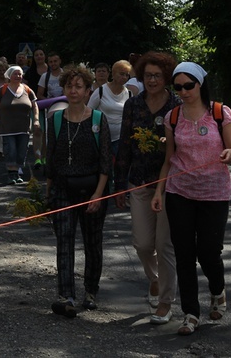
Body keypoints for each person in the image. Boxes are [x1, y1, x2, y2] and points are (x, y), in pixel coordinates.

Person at [152, 62, 231, 336]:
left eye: (188, 85)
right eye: (177, 87)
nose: (183, 91)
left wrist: (230, 155)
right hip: (180, 192)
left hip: (214, 193)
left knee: (209, 252)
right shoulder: (173, 117)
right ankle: (190, 313)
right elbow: (169, 159)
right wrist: (159, 190)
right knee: (184, 254)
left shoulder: (219, 113)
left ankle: (218, 291)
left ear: (200, 84)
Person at [114, 51, 180, 325]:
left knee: (165, 245)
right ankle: (153, 280)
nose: (152, 80)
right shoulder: (133, 105)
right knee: (142, 243)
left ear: (166, 78)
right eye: (148, 75)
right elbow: (125, 146)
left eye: (157, 75)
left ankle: (166, 302)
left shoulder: (176, 106)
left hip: (170, 184)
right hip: (139, 180)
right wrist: (120, 185)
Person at [45, 64, 112, 318]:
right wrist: (48, 192)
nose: (73, 90)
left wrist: (99, 194)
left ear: (87, 90)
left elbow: (106, 161)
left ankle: (91, 291)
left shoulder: (98, 119)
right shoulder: (56, 119)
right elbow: (51, 158)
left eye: (78, 86)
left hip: (92, 190)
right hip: (63, 188)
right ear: (63, 89)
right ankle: (66, 295)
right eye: (69, 86)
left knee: (92, 243)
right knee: (64, 241)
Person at [0, 66, 39, 184]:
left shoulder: (27, 90)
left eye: (20, 74)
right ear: (9, 76)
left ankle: (16, 173)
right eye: (15, 74)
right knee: (10, 150)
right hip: (7, 128)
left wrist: (36, 120)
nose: (18, 76)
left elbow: (35, 106)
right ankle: (11, 174)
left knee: (22, 151)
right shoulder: (1, 90)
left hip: (24, 128)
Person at [87, 60, 132, 157]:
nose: (124, 77)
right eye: (121, 74)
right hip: (100, 138)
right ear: (114, 74)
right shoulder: (101, 91)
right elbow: (88, 111)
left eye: (126, 75)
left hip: (119, 139)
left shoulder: (129, 94)